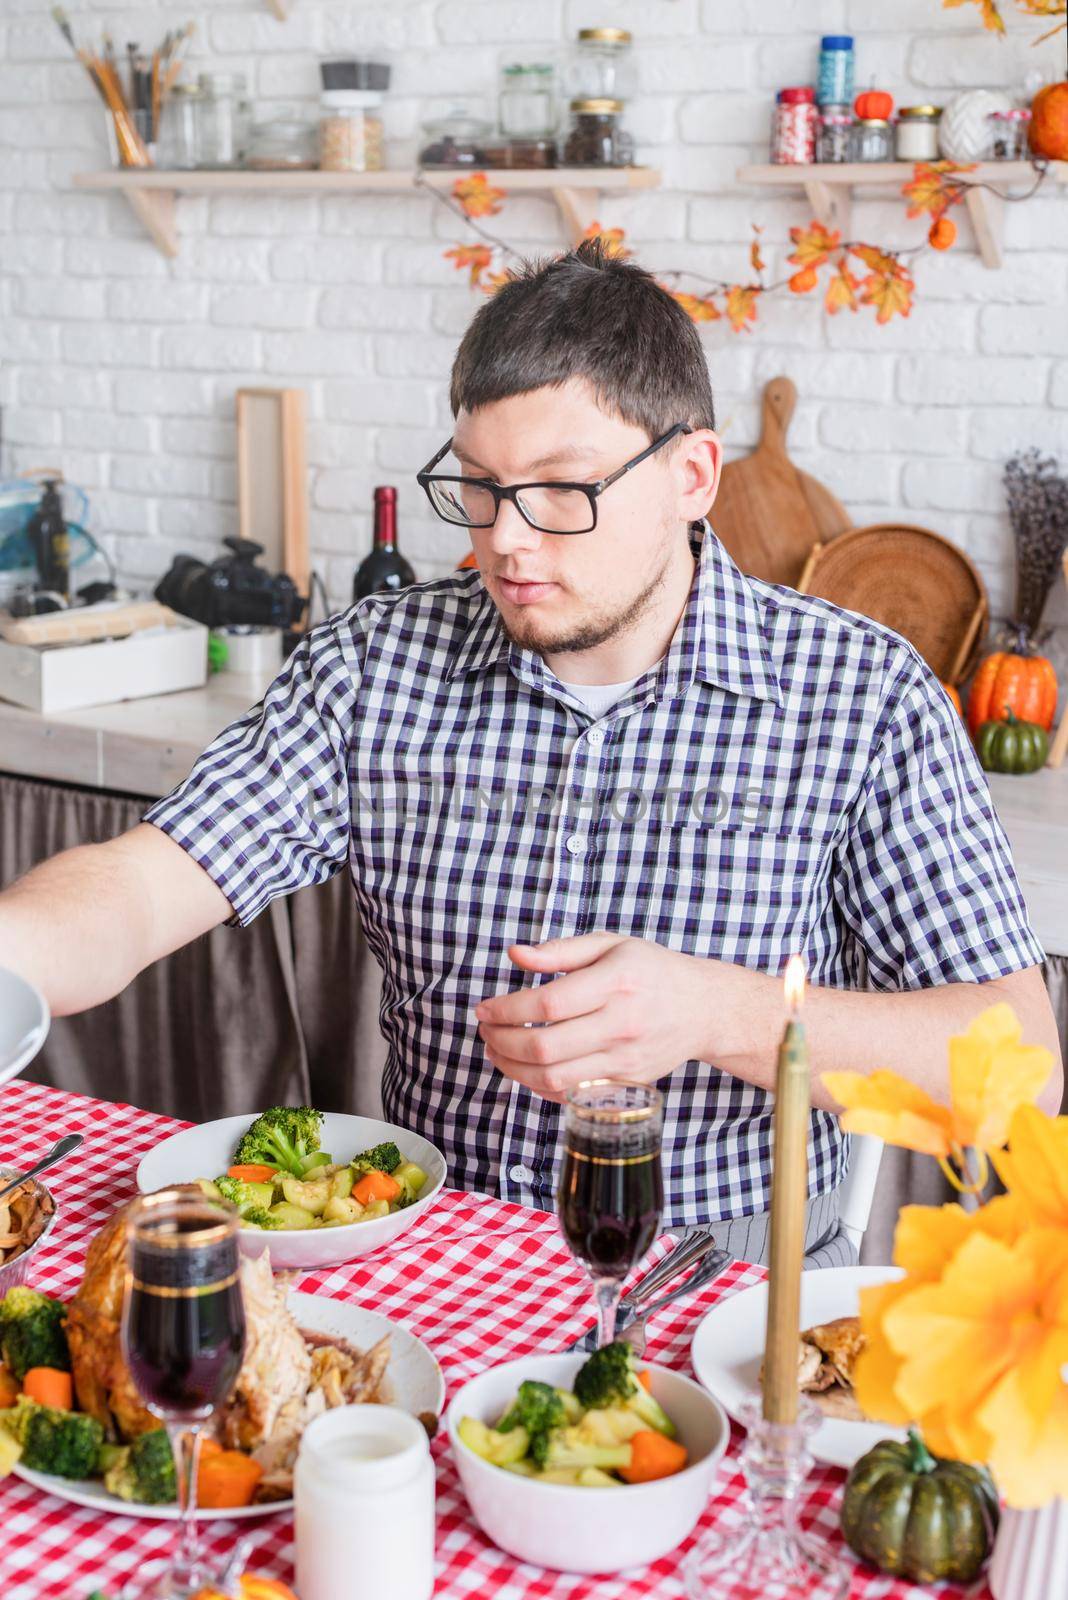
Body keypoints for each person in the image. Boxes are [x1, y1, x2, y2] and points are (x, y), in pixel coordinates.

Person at [0, 241, 1060, 1266]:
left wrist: (717, 1012)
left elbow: (1018, 1072)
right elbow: (144, 884)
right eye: (479, 486)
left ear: (692, 474)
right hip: (430, 1250)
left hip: (735, 1286)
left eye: (563, 489)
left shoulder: (859, 695)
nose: (506, 538)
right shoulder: (376, 667)